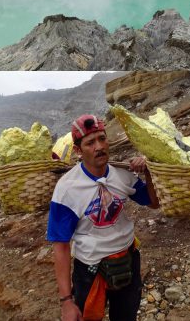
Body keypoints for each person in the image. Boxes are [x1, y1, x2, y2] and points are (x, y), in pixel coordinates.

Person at [47, 114, 160, 321]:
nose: (99, 146)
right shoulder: (67, 189)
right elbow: (61, 245)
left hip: (128, 259)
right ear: (78, 151)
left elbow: (154, 203)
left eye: (102, 138)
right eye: (90, 143)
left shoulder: (123, 174)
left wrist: (148, 172)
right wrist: (66, 302)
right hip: (90, 271)